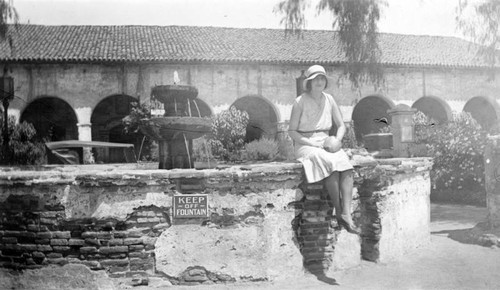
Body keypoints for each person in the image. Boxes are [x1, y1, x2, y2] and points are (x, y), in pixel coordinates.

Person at [288, 64, 360, 235]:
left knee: (346, 166)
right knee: (330, 165)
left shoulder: (329, 99)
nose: (319, 82)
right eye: (315, 79)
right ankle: (338, 209)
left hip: (327, 140)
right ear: (309, 83)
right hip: (306, 143)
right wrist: (313, 144)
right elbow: (291, 131)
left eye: (322, 78)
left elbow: (341, 125)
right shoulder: (299, 102)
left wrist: (337, 139)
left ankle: (346, 213)